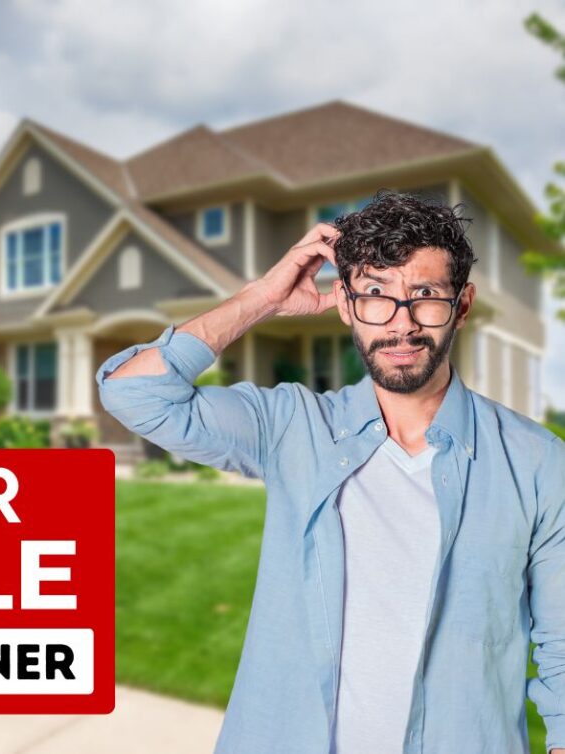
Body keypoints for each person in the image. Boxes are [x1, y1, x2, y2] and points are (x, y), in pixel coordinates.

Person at [95, 190, 565, 754]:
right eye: (374, 295)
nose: (401, 324)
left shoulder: (537, 461)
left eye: (426, 296)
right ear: (344, 306)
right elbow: (136, 394)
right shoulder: (294, 425)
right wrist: (259, 300)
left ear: (461, 306)